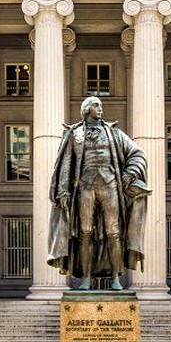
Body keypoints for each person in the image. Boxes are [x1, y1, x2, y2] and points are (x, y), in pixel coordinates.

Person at [47, 96, 150, 290]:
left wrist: (129, 173)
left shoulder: (114, 133)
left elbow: (138, 153)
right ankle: (86, 279)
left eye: (101, 105)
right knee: (85, 233)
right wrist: (62, 189)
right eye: (96, 105)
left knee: (114, 232)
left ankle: (115, 279)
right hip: (84, 187)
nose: (100, 109)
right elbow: (66, 162)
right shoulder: (74, 133)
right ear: (86, 110)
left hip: (110, 185)